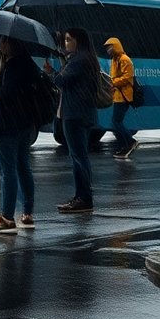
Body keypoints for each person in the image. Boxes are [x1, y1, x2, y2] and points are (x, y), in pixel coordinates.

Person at [0, 36, 41, 234]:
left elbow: (5, 95)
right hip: (26, 123)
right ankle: (28, 212)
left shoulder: (13, 66)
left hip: (8, 124)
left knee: (8, 170)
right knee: (23, 166)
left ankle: (7, 217)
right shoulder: (29, 65)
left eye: (1, 41)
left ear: (9, 43)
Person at [44, 27, 100, 213]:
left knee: (78, 157)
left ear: (79, 41)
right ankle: (82, 196)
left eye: (69, 40)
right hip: (83, 113)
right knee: (80, 156)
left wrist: (50, 72)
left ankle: (83, 198)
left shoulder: (79, 60)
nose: (66, 44)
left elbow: (61, 81)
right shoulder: (87, 59)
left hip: (75, 114)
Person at [106, 37, 139, 159]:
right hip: (117, 96)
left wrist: (113, 82)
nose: (108, 49)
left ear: (116, 46)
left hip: (124, 96)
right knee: (116, 122)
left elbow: (127, 77)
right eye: (107, 47)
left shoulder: (125, 60)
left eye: (110, 46)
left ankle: (130, 142)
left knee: (116, 122)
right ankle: (124, 145)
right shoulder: (115, 60)